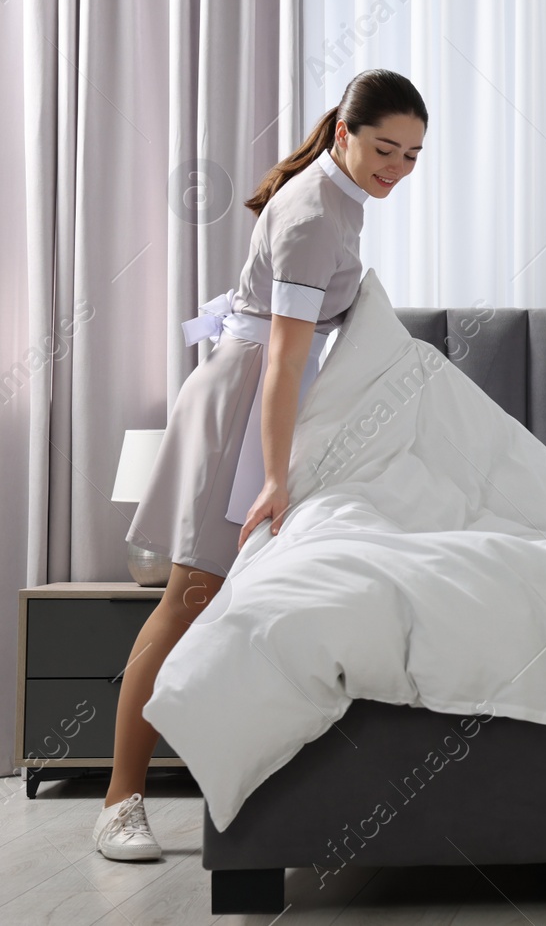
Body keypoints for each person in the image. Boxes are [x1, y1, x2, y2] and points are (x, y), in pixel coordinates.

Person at [92, 69, 427, 861]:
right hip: (245, 409)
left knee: (223, 600)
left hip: (266, 399)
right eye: (386, 149)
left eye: (414, 155)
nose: (399, 168)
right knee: (188, 597)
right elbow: (282, 359)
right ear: (343, 134)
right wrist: (274, 475)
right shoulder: (315, 211)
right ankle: (119, 799)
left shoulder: (340, 196)